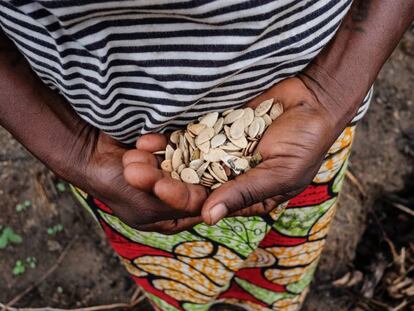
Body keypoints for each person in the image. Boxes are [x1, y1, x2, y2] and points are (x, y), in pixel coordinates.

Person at [0, 1, 413, 310]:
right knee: (177, 278)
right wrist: (72, 148)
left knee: (285, 259)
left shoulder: (322, 107)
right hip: (127, 166)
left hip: (312, 131)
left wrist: (331, 89)